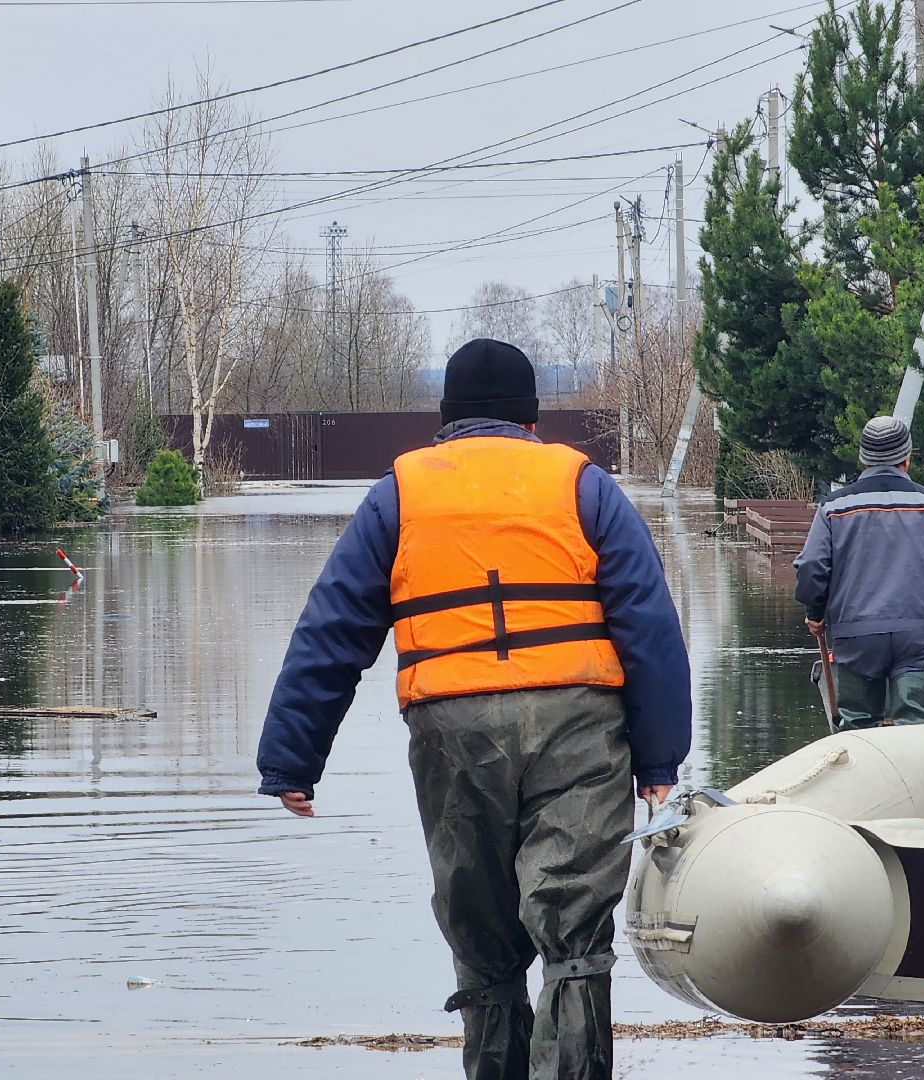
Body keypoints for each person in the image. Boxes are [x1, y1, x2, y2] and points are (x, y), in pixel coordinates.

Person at [256, 338, 692, 1080]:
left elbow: (332, 628)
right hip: (579, 727)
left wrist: (292, 759)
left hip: (453, 732)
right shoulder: (582, 484)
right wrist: (658, 756)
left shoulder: (400, 492)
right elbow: (648, 625)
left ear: (446, 415)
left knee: (483, 940)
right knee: (573, 932)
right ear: (531, 418)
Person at [793, 415, 924, 728]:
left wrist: (815, 612)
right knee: (918, 731)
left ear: (863, 459)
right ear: (906, 459)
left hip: (855, 638)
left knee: (858, 733)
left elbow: (812, 566)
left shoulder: (833, 507)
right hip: (920, 636)